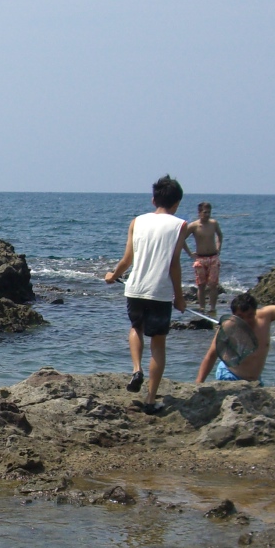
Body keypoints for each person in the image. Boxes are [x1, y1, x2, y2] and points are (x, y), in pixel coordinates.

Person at [104, 175, 189, 412]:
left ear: (153, 200)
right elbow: (174, 265)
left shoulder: (136, 221)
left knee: (136, 329)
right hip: (159, 292)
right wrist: (180, 297)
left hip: (135, 288)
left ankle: (136, 369)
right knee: (158, 344)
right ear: (177, 203)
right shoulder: (181, 225)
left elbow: (127, 260)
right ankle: (151, 401)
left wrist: (112, 275)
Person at [196, 292, 275, 384]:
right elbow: (211, 356)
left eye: (250, 315)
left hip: (255, 381)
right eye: (241, 316)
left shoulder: (266, 316)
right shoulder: (228, 327)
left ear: (256, 311)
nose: (246, 320)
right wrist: (199, 383)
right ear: (234, 315)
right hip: (230, 376)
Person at [181, 200, 224, 315]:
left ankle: (213, 308)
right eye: (205, 212)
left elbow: (220, 235)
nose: (207, 215)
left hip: (213, 257)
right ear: (199, 213)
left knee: (213, 285)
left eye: (209, 212)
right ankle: (202, 308)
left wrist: (218, 248)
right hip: (200, 259)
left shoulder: (213, 223)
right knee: (201, 285)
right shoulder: (194, 226)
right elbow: (182, 240)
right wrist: (190, 253)